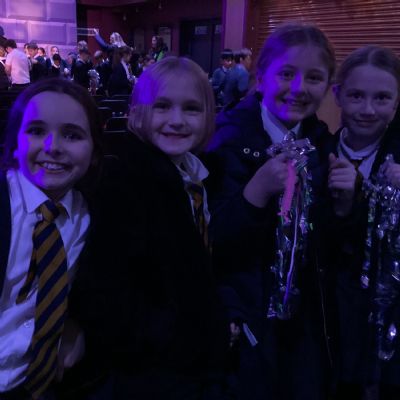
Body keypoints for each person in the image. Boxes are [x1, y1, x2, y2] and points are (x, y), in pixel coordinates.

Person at [68, 56, 229, 399]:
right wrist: (172, 338)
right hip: (152, 370)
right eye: (162, 106)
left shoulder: (193, 170)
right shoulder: (124, 180)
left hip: (183, 355)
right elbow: (103, 290)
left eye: (191, 109)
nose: (177, 120)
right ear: (138, 112)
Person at [205, 22, 337, 400]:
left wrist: (345, 206)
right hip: (247, 313)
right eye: (286, 74)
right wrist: (254, 193)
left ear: (328, 86)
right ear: (261, 77)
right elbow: (213, 242)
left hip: (306, 319)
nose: (298, 88)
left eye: (314, 78)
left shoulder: (324, 145)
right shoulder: (225, 141)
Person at [0, 78, 102, 399]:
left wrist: (77, 324)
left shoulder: (89, 213)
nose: (52, 146)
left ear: (94, 151)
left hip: (41, 384)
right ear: (15, 142)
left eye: (72, 135)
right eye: (36, 131)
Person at [328, 45, 400, 400]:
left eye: (382, 98)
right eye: (356, 96)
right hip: (332, 310)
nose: (368, 110)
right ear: (338, 94)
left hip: (389, 315)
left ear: (397, 101)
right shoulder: (316, 152)